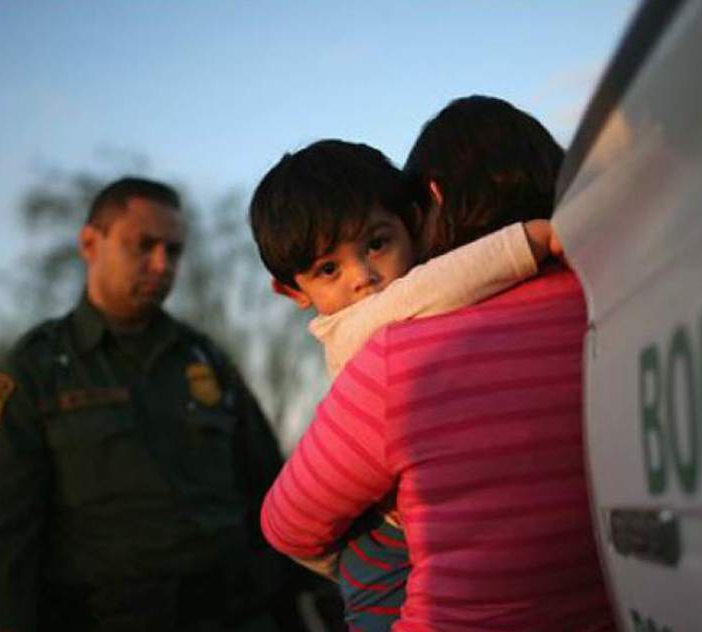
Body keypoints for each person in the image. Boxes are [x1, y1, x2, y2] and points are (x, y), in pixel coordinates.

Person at [260, 96, 617, 630]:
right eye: (329, 269)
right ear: (294, 292)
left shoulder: (400, 349)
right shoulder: (613, 293)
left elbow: (288, 525)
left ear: (426, 202)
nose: (363, 279)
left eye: (377, 244)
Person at [0, 177, 310, 632]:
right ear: (90, 243)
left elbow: (272, 491)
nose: (160, 264)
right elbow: (7, 538)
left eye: (173, 251)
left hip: (233, 613)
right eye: (143, 245)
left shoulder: (204, 359)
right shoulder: (38, 369)